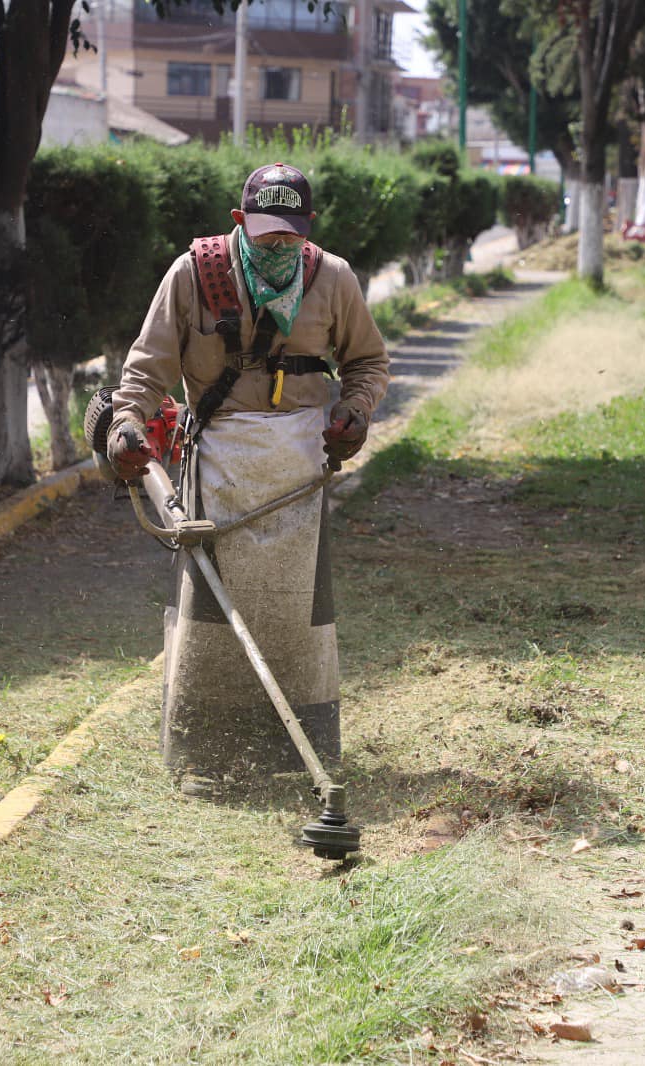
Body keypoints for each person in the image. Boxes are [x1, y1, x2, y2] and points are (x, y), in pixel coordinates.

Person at [105, 162, 390, 796]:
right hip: (218, 468)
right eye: (266, 235)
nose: (279, 246)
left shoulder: (334, 279)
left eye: (291, 235)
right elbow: (147, 370)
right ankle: (205, 753)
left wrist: (354, 412)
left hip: (299, 471)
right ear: (241, 223)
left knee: (297, 616)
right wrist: (128, 424)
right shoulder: (192, 275)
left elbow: (368, 362)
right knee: (208, 614)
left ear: (307, 229)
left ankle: (295, 749)